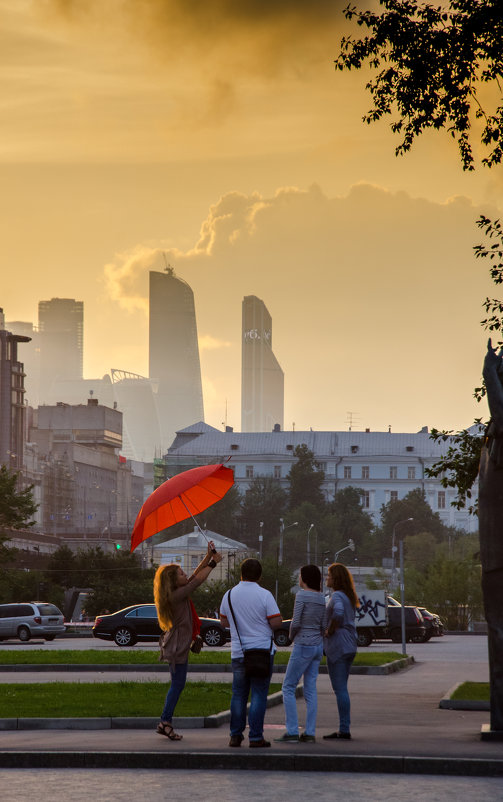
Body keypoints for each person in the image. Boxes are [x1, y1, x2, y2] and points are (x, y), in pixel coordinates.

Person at [154, 540, 223, 741]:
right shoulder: (176, 596)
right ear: (174, 582)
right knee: (177, 685)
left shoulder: (176, 592)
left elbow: (194, 576)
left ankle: (165, 721)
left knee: (177, 684)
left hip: (178, 645)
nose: (186, 574)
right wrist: (213, 564)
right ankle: (165, 722)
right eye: (181, 574)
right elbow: (197, 581)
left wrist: (208, 555)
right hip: (176, 647)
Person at [220, 557, 282, 748]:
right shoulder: (265, 595)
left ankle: (235, 735)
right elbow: (276, 622)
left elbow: (224, 622)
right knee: (258, 694)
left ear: (241, 573)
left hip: (239, 653)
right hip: (262, 652)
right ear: (259, 576)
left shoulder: (229, 595)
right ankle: (256, 737)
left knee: (238, 694)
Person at [275, 564, 326, 743]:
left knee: (288, 686)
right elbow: (324, 625)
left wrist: (290, 637)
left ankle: (292, 731)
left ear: (304, 578)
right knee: (310, 688)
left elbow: (295, 622)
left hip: (303, 643)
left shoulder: (302, 595)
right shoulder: (321, 598)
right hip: (317, 646)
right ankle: (310, 732)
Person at [323, 562, 359, 740]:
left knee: (340, 689)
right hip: (350, 643)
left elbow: (337, 614)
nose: (326, 578)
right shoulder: (348, 596)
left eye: (329, 575)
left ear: (335, 578)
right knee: (342, 687)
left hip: (339, 644)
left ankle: (344, 729)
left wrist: (329, 630)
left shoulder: (336, 596)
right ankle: (344, 727)